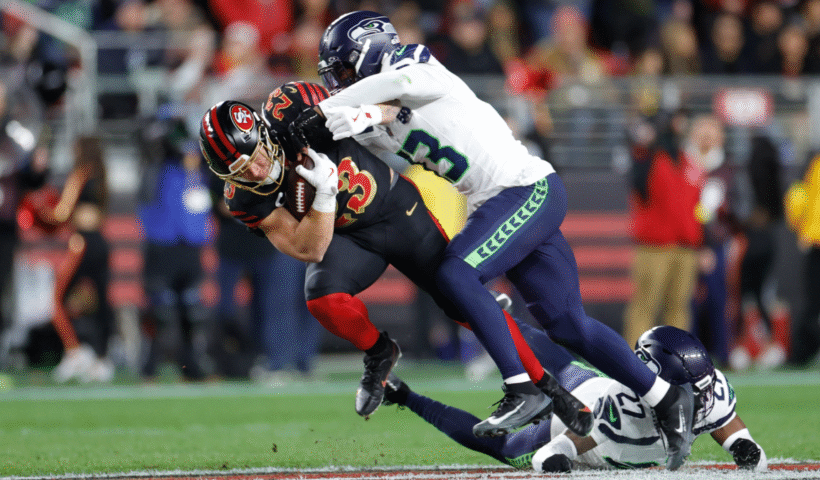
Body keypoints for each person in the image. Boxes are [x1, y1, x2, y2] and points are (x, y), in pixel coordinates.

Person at [306, 10, 695, 468]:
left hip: (522, 189)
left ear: (371, 53)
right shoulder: (381, 107)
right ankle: (667, 397)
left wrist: (332, 109)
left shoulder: (416, 66)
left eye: (347, 70)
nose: (342, 84)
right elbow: (374, 140)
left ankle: (522, 387)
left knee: (454, 273)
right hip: (504, 199)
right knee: (569, 326)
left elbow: (393, 93)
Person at [199, 81, 592, 434]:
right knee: (323, 300)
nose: (255, 168)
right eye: (239, 169)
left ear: (264, 132)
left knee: (466, 305)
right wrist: (322, 194)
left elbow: (385, 100)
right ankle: (379, 352)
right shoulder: (243, 198)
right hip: (346, 236)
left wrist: (371, 115)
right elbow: (310, 248)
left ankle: (552, 390)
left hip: (398, 213)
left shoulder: (294, 109)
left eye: (254, 155)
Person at [383, 325, 767, 473]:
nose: (700, 394)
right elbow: (550, 453)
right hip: (577, 420)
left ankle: (489, 313)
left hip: (591, 382)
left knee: (559, 356)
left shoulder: (707, 383)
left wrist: (745, 448)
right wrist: (558, 461)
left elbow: (727, 426)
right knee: (502, 445)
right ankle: (407, 395)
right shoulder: (626, 407)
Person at [138, 114, 212, 382]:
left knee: (193, 312)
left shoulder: (197, 170)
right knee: (161, 311)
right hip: (162, 243)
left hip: (190, 245)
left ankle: (192, 368)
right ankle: (149, 368)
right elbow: (150, 145)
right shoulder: (159, 166)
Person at [622, 111, 702, 348]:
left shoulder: (687, 161)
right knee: (644, 306)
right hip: (653, 247)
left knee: (678, 308)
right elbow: (635, 154)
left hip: (685, 247)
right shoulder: (648, 158)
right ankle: (634, 360)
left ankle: (678, 360)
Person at [49, 135, 116, 383]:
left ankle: (75, 351)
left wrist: (38, 209)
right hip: (100, 241)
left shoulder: (80, 174)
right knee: (101, 301)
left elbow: (62, 212)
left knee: (57, 299)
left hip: (81, 242)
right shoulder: (103, 177)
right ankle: (102, 358)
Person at [784, 152, 820, 366]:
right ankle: (801, 353)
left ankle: (801, 354)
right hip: (816, 243)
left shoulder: (815, 164)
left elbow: (802, 201)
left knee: (811, 304)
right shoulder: (815, 164)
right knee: (812, 304)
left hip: (815, 242)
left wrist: (806, 231)